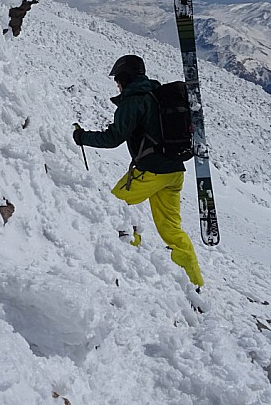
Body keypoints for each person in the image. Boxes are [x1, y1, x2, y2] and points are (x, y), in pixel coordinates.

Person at [73, 54, 204, 289]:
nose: (117, 84)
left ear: (124, 77)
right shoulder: (155, 94)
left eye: (118, 79)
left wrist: (82, 137)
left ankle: (127, 259)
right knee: (171, 229)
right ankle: (195, 281)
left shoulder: (134, 101)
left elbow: (113, 138)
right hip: (174, 172)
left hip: (151, 172)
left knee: (113, 207)